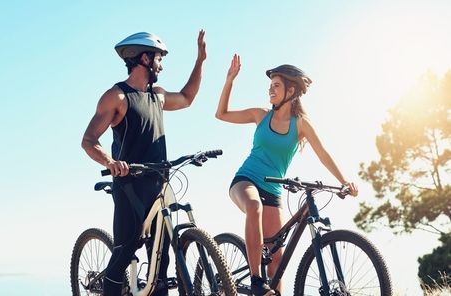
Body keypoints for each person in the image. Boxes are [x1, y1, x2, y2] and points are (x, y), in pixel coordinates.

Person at [215, 54, 358, 296]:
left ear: (291, 91)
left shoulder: (300, 124)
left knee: (277, 259)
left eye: (276, 86)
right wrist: (230, 79)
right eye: (270, 86)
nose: (270, 90)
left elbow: (323, 154)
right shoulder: (261, 115)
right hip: (246, 179)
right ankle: (256, 280)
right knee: (253, 206)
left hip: (275, 189)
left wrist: (344, 181)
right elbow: (222, 114)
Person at [82, 30, 206, 296]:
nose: (161, 65)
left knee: (161, 261)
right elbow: (89, 140)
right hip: (129, 185)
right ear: (145, 59)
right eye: (159, 59)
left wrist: (200, 61)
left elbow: (187, 98)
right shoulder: (116, 97)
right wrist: (111, 161)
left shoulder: (157, 96)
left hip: (158, 183)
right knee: (125, 251)